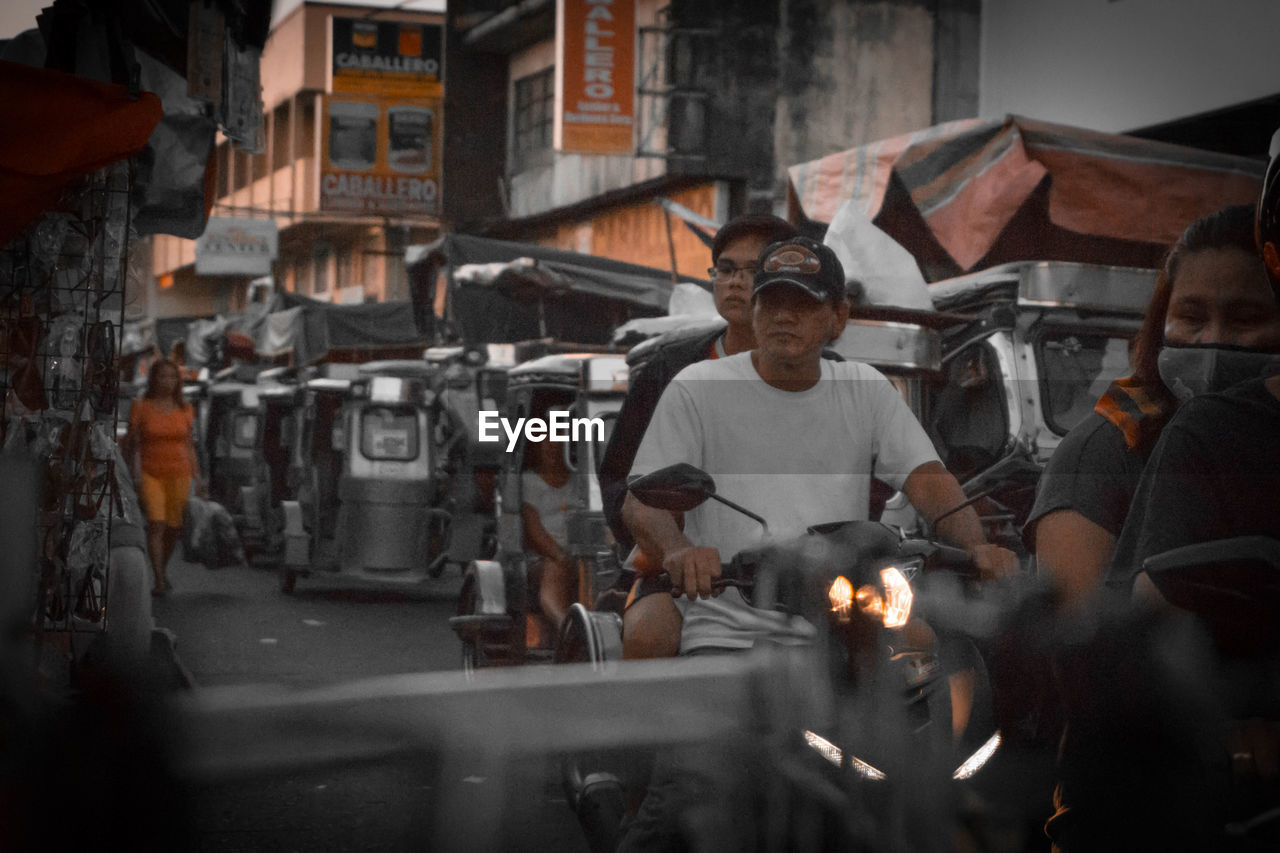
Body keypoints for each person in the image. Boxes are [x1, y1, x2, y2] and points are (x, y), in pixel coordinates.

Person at [622, 236, 1017, 658]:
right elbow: (641, 502)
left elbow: (929, 481)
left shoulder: (866, 390)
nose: (784, 317)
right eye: (770, 302)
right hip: (728, 632)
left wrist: (978, 550)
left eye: (804, 305)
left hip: (847, 626)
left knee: (935, 660)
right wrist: (680, 552)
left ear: (838, 317)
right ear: (753, 314)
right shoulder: (697, 388)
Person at [1025, 204, 1279, 611]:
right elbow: (1075, 640)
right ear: (1161, 322)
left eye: (1246, 318)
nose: (1212, 340)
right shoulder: (1107, 447)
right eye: (1191, 316)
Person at [122, 358, 204, 596]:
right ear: (153, 380)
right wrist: (129, 471)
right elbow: (131, 443)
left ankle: (162, 569)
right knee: (156, 523)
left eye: (172, 377)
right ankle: (158, 579)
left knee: (174, 528)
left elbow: (190, 446)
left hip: (181, 473)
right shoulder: (141, 406)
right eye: (162, 376)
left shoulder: (186, 409)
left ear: (177, 381)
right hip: (150, 472)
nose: (167, 382)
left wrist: (198, 479)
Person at [522, 427, 578, 630]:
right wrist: (559, 555)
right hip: (542, 557)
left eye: (558, 446)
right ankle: (565, 627)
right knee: (557, 565)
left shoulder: (579, 481)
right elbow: (533, 528)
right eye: (548, 447)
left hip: (581, 552)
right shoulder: (529, 482)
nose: (553, 451)